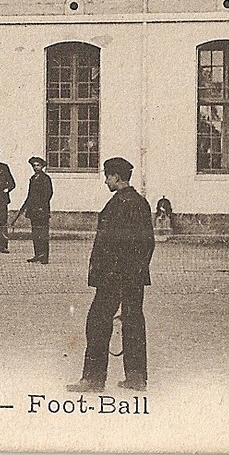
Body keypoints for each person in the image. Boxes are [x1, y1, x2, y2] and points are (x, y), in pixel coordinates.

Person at [74, 156, 154, 393]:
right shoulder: (141, 203)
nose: (105, 181)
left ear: (116, 177)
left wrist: (104, 274)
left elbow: (109, 244)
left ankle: (93, 379)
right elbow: (148, 242)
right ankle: (136, 377)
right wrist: (138, 270)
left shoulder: (118, 204)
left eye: (107, 176)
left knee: (97, 321)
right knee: (133, 321)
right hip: (134, 275)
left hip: (113, 276)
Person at [20, 156, 54, 264]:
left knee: (43, 233)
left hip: (42, 211)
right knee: (35, 233)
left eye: (38, 165)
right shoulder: (32, 178)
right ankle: (37, 254)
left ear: (42, 166)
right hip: (33, 211)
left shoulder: (46, 178)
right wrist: (25, 207)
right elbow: (30, 195)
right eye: (34, 166)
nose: (36, 167)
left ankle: (44, 257)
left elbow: (48, 194)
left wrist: (41, 206)